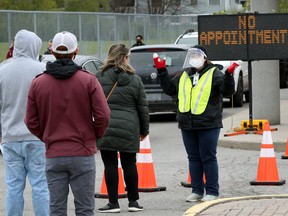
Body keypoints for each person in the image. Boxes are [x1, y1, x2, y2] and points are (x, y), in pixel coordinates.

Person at [25, 31, 110, 216]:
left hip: (54, 153)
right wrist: (93, 135)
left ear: (52, 51)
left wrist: (48, 136)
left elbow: (30, 121)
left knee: (56, 209)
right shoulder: (88, 80)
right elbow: (103, 115)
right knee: (85, 209)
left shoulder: (38, 83)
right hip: (82, 151)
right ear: (76, 51)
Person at [153, 45, 235, 202]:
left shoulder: (214, 73)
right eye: (191, 56)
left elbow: (226, 91)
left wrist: (229, 75)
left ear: (205, 58)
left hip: (208, 124)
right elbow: (170, 89)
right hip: (187, 123)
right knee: (193, 158)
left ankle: (212, 191)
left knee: (208, 157)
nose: (194, 59)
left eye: (197, 55)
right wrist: (162, 72)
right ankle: (197, 191)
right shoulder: (185, 74)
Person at [0, 29, 49, 216]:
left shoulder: (2, 70)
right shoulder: (42, 70)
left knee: (13, 187)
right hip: (37, 137)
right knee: (40, 185)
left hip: (10, 136)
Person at [96, 44, 149, 213]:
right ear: (125, 57)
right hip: (129, 126)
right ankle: (133, 202)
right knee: (129, 164)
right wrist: (144, 131)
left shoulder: (99, 76)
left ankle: (113, 203)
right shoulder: (135, 79)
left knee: (110, 165)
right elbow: (143, 107)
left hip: (107, 126)